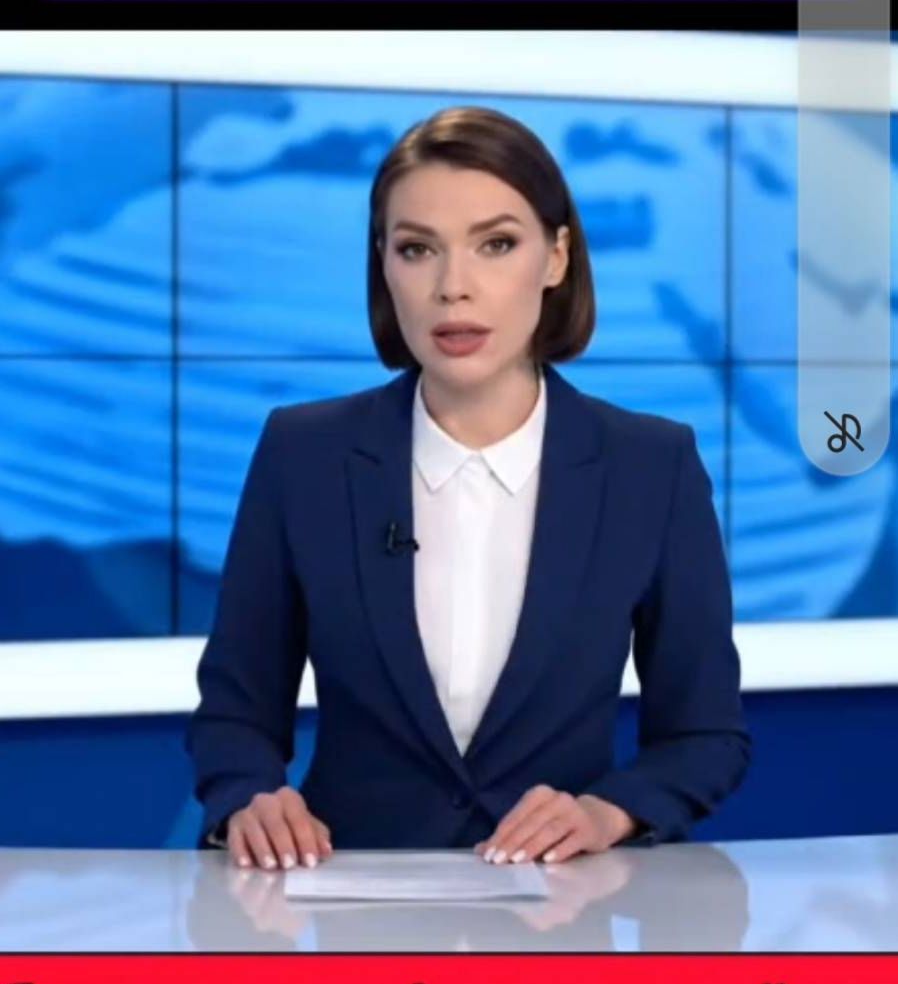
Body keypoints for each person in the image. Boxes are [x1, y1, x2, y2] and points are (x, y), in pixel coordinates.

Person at [186, 105, 750, 870]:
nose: (454, 287)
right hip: (354, 900)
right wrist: (249, 798)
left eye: (497, 244)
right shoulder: (304, 454)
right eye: (417, 249)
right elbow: (235, 714)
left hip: (561, 909)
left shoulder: (651, 466)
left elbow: (703, 736)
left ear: (556, 257)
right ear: (383, 264)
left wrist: (607, 812)